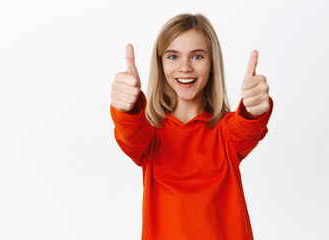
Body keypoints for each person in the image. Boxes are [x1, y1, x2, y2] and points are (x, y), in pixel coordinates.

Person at [110, 13, 273, 240]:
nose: (184, 67)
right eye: (173, 56)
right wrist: (125, 107)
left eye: (197, 56)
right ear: (161, 64)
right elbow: (130, 133)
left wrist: (255, 108)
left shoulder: (226, 133)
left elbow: (247, 128)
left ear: (212, 64)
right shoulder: (150, 136)